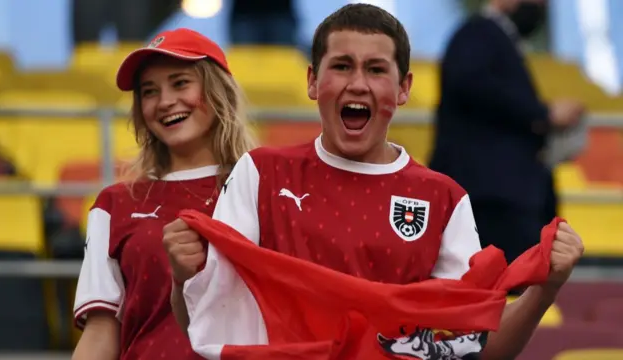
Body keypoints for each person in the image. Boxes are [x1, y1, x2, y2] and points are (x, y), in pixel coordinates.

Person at [163, 4, 584, 359]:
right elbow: (207, 327)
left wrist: (546, 288)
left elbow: (473, 349)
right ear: (313, 81)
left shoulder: (443, 198)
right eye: (342, 66)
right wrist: (182, 280)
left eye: (376, 69)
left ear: (403, 88)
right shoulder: (261, 174)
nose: (358, 83)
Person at [71, 28, 256, 360]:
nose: (165, 101)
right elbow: (100, 334)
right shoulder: (114, 204)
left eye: (181, 83)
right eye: (149, 91)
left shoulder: (265, 188)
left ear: (217, 90)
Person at [429, 0, 585, 269]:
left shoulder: (496, 39)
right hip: (491, 198)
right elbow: (469, 82)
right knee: (500, 293)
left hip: (502, 197)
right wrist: (542, 114)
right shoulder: (479, 32)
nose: (542, 6)